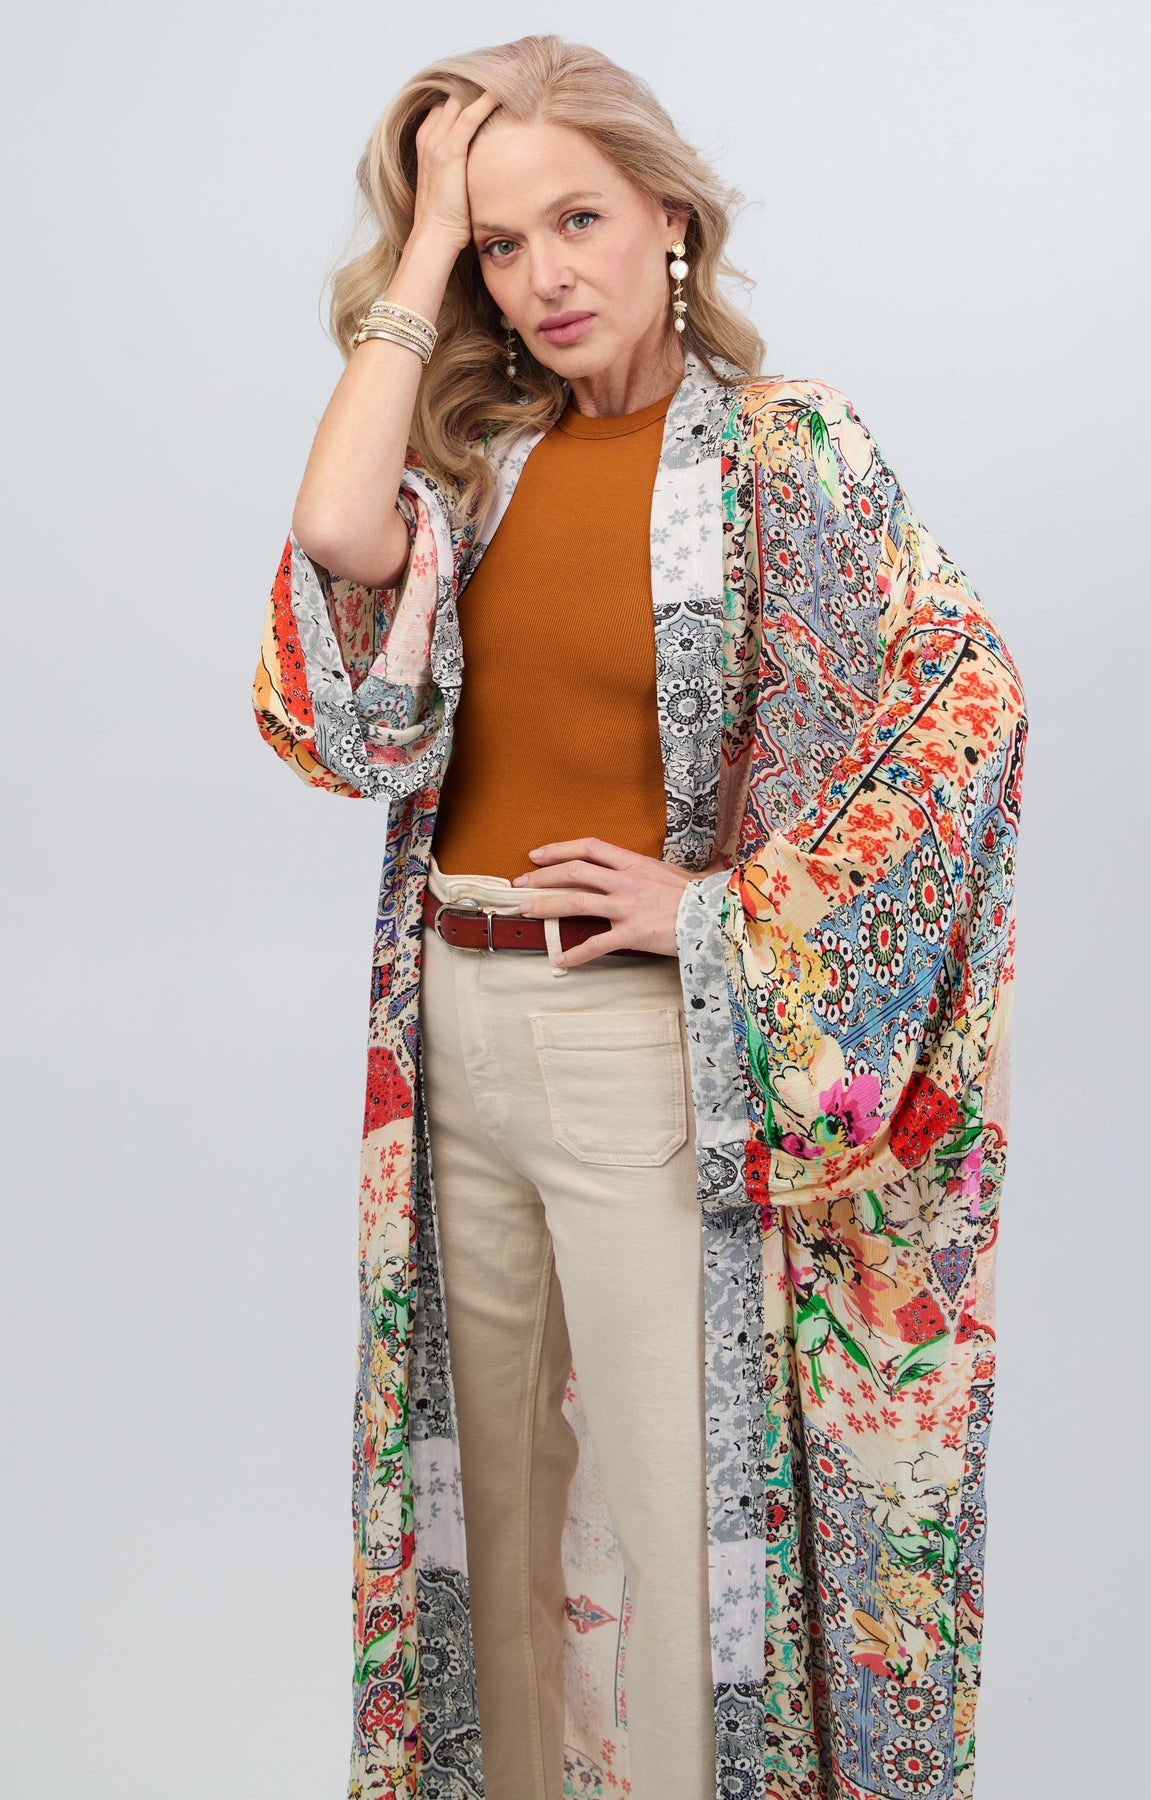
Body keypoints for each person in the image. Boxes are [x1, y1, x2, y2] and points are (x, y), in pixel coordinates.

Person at [253, 32, 1026, 1800]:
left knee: (687, 1555)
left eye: (578, 219)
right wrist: (420, 243)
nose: (543, 276)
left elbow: (963, 707)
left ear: (669, 217)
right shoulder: (480, 468)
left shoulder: (782, 452)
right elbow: (335, 552)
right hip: (450, 1041)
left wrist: (735, 909)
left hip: (639, 1052)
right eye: (499, 244)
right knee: (482, 1528)